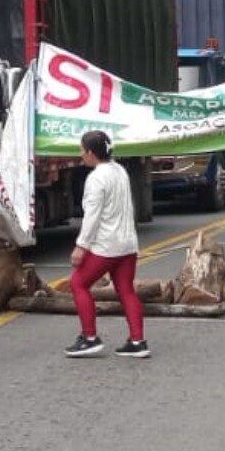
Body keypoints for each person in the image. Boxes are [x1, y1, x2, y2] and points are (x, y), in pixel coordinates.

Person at [65, 130, 149, 359]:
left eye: (82, 150)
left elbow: (92, 215)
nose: (81, 155)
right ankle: (137, 341)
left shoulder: (96, 178)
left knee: (78, 283)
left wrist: (81, 246)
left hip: (106, 245)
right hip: (128, 243)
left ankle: (90, 337)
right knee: (126, 290)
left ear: (91, 153)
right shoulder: (120, 171)